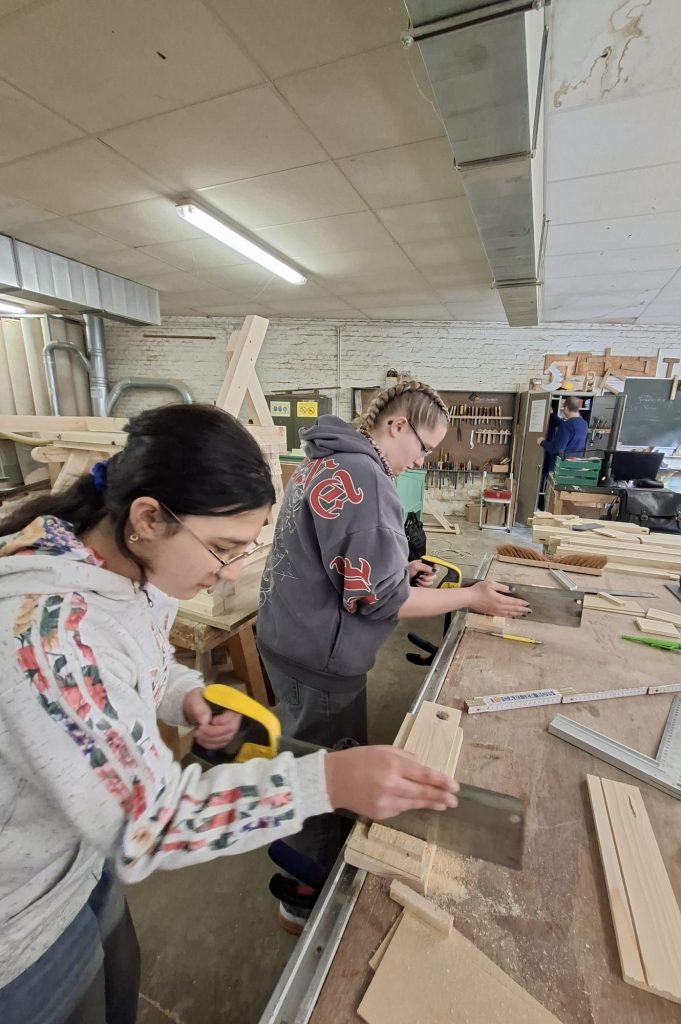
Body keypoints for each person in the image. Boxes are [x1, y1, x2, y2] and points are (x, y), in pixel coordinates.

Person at [0, 403, 459, 1024]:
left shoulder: (121, 564)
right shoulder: (46, 635)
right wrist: (327, 780)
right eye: (221, 549)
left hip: (77, 862)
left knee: (117, 989)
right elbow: (153, 824)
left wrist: (184, 695)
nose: (232, 572)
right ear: (148, 517)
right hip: (19, 926)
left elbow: (139, 656)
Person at [256, 380, 530, 922]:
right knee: (331, 769)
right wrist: (471, 596)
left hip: (288, 636)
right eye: (424, 448)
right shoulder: (367, 477)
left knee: (305, 748)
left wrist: (396, 569)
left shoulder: (321, 460)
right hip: (320, 656)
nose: (422, 461)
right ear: (397, 425)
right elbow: (378, 602)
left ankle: (303, 856)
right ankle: (306, 884)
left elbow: (335, 560)